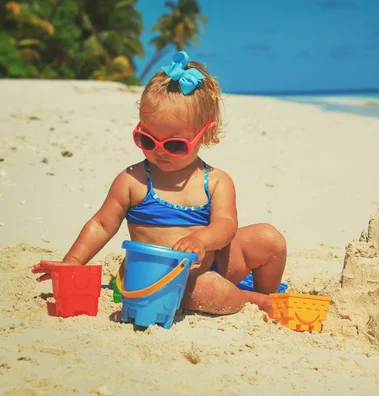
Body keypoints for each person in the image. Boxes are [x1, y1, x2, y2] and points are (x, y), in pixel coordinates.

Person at [31, 51, 287, 317]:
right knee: (205, 291)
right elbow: (101, 224)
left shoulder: (216, 181)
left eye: (174, 144)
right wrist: (71, 263)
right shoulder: (134, 181)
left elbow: (225, 226)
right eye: (147, 140)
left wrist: (201, 240)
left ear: (206, 133)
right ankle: (250, 300)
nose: (159, 151)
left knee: (269, 239)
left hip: (210, 262)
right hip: (157, 278)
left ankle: (268, 295)